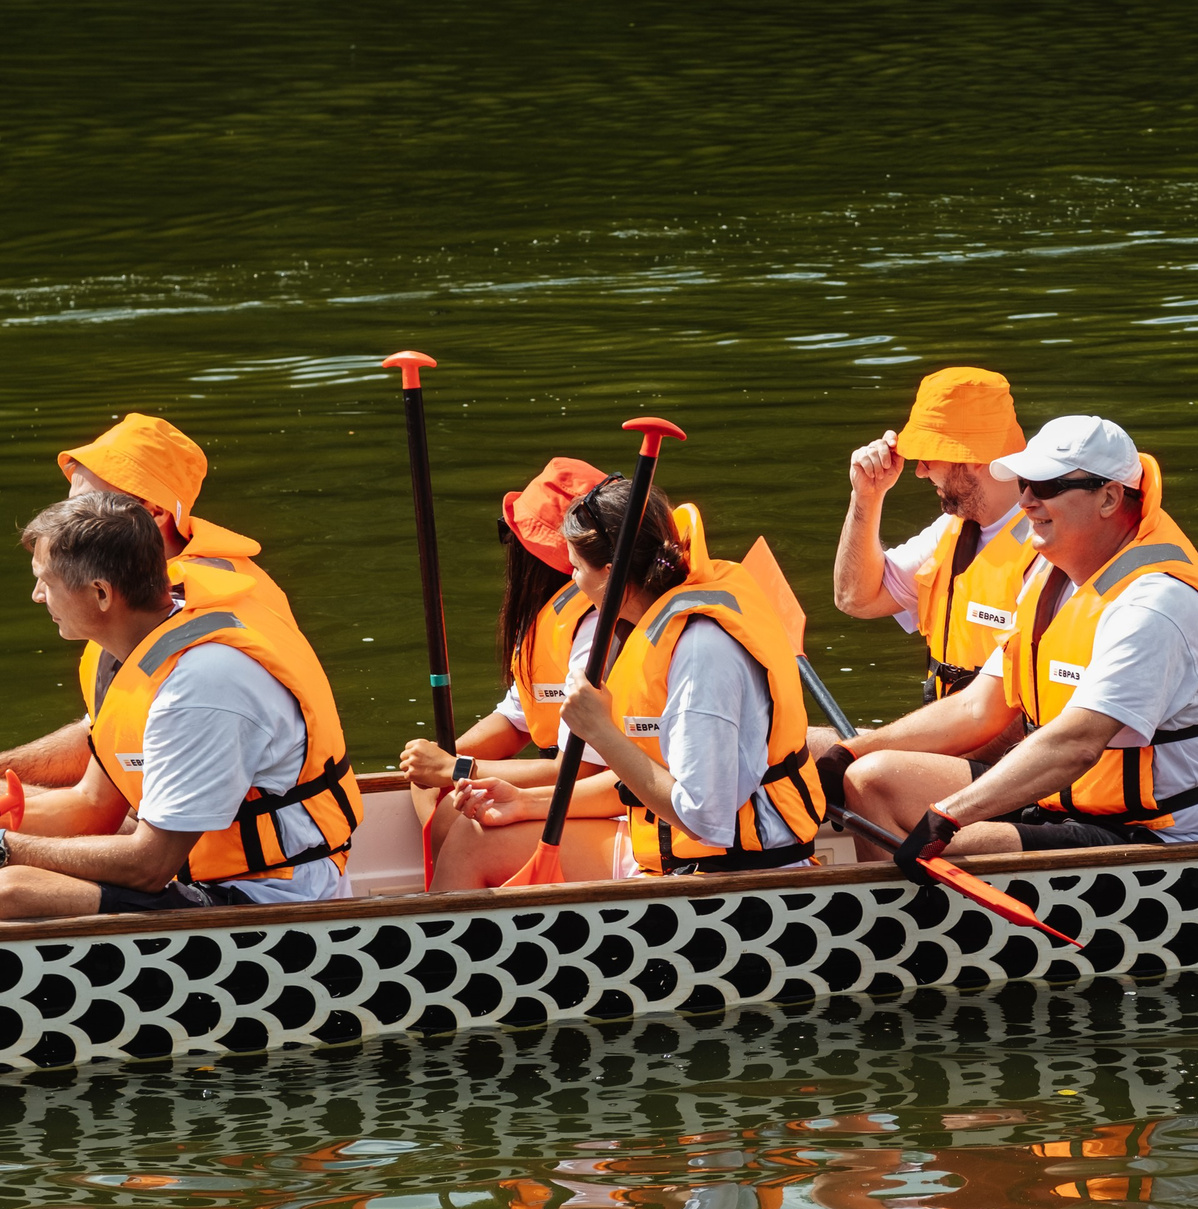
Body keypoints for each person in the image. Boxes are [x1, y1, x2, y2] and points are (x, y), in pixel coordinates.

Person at [0, 415, 295, 923]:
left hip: (248, 890)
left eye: (82, 506)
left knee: (4, 891)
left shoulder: (201, 666)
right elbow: (100, 776)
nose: (36, 595)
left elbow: (150, 859)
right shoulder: (136, 626)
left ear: (144, 518)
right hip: (183, 843)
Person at [830, 414, 1198, 858]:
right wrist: (846, 754)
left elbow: (1076, 743)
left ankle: (913, 918)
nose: (1027, 502)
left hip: (1167, 834)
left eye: (1048, 487)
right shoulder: (1049, 580)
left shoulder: (1152, 604)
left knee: (941, 845)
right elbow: (976, 709)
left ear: (1109, 497)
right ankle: (908, 918)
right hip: (1074, 799)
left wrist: (950, 816)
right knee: (870, 779)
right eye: (1024, 485)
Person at [445, 478, 826, 880]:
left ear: (610, 576)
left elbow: (703, 817)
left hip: (740, 879)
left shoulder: (701, 654)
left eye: (576, 568)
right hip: (678, 855)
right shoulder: (651, 629)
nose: (573, 582)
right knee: (473, 838)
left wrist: (600, 731)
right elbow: (636, 783)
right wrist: (526, 802)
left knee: (470, 847)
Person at [397, 456, 603, 879]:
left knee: (468, 832)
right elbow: (516, 721)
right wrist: (444, 761)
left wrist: (456, 769)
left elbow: (584, 769)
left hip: (609, 800)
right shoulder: (554, 617)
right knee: (430, 791)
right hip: (570, 780)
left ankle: (449, 920)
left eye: (513, 536)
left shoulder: (600, 627)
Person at [832, 366, 1037, 710]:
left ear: (973, 457)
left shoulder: (1047, 544)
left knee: (859, 763)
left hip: (1009, 756)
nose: (919, 470)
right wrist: (867, 496)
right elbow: (855, 598)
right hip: (949, 741)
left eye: (928, 456)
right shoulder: (951, 530)